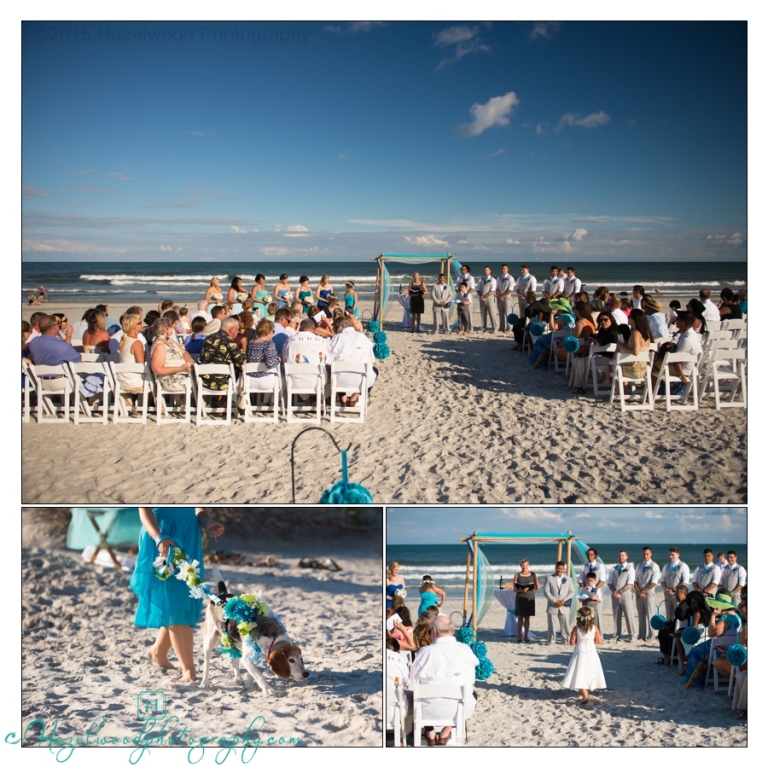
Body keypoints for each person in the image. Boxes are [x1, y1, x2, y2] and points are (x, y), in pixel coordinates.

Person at [131, 507, 224, 682]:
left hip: (189, 535)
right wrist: (159, 537)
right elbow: (144, 509)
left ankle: (157, 652)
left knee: (181, 600)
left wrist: (208, 522)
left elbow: (199, 509)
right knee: (176, 602)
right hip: (162, 535)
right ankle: (189, 670)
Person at [409, 616, 478, 745]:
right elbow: (471, 679)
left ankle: (429, 731)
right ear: (451, 630)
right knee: (472, 694)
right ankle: (447, 731)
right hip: (459, 709)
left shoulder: (425, 652)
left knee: (417, 694)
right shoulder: (465, 650)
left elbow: (412, 683)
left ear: (434, 631)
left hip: (428, 711)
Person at [683, 591, 742, 688]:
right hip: (731, 646)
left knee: (694, 652)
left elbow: (712, 633)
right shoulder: (735, 615)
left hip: (721, 648)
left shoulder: (727, 617)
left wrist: (713, 616)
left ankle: (697, 682)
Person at [328, 317, 377, 404]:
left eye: (337, 328)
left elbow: (328, 358)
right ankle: (356, 396)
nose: (336, 331)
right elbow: (372, 359)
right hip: (363, 380)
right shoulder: (363, 337)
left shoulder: (338, 337)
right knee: (375, 371)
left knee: (334, 368)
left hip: (340, 380)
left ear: (343, 326)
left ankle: (342, 396)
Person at [561, 607, 605, 703]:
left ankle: (585, 696)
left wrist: (576, 639)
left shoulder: (576, 628)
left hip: (580, 653)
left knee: (579, 673)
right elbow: (599, 641)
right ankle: (586, 694)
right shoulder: (595, 628)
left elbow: (572, 643)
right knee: (589, 672)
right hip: (591, 653)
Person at [27, 315, 82, 389]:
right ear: (55, 327)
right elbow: (78, 362)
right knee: (87, 375)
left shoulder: (34, 342)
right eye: (57, 324)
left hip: (41, 382)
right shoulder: (63, 346)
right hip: (61, 383)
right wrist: (69, 335)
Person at [198, 317, 245, 391]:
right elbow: (241, 361)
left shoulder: (208, 338)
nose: (238, 332)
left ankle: (208, 402)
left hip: (205, 383)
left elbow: (203, 358)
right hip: (223, 383)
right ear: (231, 329)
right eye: (237, 329)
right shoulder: (229, 341)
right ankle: (225, 402)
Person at [151, 316, 194, 392]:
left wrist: (190, 362)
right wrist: (181, 368)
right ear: (165, 329)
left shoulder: (169, 340)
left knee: (201, 379)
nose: (173, 329)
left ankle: (195, 403)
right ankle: (199, 403)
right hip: (171, 378)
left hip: (182, 373)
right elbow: (157, 369)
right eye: (171, 327)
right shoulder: (160, 345)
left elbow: (183, 352)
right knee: (201, 383)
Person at [607, 551, 636, 642]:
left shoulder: (630, 569)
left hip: (626, 596)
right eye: (619, 555)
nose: (621, 557)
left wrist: (620, 592)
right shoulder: (613, 569)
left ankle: (632, 636)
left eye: (623, 555)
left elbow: (630, 584)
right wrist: (614, 592)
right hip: (615, 595)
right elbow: (610, 582)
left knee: (629, 616)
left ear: (626, 557)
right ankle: (616, 635)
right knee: (616, 616)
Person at [634, 547, 661, 643]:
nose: (645, 556)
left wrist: (643, 591)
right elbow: (635, 580)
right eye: (644, 554)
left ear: (651, 554)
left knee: (650, 614)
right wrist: (638, 591)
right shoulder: (638, 566)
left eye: (647, 554)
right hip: (639, 593)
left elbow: (654, 582)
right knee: (641, 616)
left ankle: (651, 635)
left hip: (649, 593)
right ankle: (641, 635)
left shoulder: (655, 566)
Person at [543, 561, 574, 645]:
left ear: (563, 569)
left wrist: (563, 601)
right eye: (557, 568)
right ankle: (551, 640)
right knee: (551, 625)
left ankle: (566, 640)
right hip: (552, 605)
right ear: (555, 568)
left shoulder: (568, 579)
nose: (559, 570)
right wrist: (555, 601)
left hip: (564, 605)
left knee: (565, 624)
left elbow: (571, 592)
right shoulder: (549, 578)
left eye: (561, 568)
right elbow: (546, 591)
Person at [116, 314, 147, 394]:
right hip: (133, 381)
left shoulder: (124, 341)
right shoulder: (136, 343)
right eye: (140, 323)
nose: (142, 324)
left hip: (122, 380)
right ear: (134, 327)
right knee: (156, 381)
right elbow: (141, 366)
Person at [579, 548, 606, 634]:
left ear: (595, 555)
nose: (590, 556)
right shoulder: (583, 567)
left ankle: (598, 635)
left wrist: (594, 590)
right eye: (588, 554)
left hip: (596, 595)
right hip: (586, 594)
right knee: (585, 615)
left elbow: (602, 580)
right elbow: (581, 581)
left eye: (591, 554)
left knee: (597, 616)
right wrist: (585, 590)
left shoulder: (600, 566)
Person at [660, 546, 690, 621]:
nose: (671, 556)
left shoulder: (683, 566)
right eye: (670, 554)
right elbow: (662, 580)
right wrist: (666, 589)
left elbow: (685, 582)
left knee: (678, 615)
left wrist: (674, 590)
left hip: (678, 595)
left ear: (678, 554)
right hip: (667, 595)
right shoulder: (666, 566)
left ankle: (677, 631)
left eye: (673, 554)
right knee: (668, 616)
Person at [513, 558, 539, 642]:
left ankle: (526, 636)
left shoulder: (533, 574)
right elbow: (514, 588)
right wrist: (521, 590)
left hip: (529, 597)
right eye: (523, 565)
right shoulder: (517, 575)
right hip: (520, 597)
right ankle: (519, 636)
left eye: (526, 565)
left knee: (527, 618)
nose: (525, 567)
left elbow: (537, 587)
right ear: (520, 566)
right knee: (520, 617)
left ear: (528, 565)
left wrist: (536, 586)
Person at [477, 266, 499, 332]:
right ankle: (483, 327)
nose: (485, 272)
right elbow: (478, 289)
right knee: (483, 314)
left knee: (492, 313)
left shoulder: (493, 280)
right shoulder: (481, 279)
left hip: (490, 299)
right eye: (484, 270)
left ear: (490, 271)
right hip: (481, 299)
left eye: (487, 270)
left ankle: (495, 328)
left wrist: (485, 296)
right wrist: (481, 296)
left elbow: (493, 290)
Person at [496, 264, 515, 332]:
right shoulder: (499, 277)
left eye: (504, 269)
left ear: (507, 269)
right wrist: (499, 296)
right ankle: (501, 327)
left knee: (508, 312)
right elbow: (496, 288)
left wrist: (502, 296)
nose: (503, 270)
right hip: (499, 297)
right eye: (502, 269)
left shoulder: (511, 278)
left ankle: (509, 328)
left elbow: (510, 289)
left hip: (507, 297)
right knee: (500, 313)